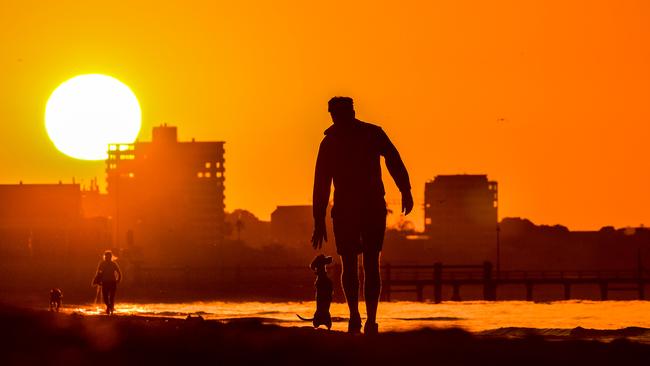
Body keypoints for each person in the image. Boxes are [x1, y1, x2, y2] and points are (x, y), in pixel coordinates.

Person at [312, 96, 413, 334]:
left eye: (341, 114)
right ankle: (358, 318)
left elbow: (393, 159)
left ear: (351, 112)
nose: (338, 118)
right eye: (335, 115)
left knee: (369, 263)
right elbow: (321, 183)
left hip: (369, 207)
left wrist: (405, 189)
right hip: (351, 208)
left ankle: (369, 319)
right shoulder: (331, 142)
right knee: (352, 263)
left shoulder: (371, 134)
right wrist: (318, 219)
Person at [94, 250, 122, 315]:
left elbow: (119, 272)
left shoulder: (113, 264)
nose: (107, 258)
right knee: (105, 297)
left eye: (109, 256)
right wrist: (97, 281)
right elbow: (98, 273)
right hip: (105, 282)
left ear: (111, 257)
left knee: (111, 297)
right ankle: (109, 307)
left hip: (112, 282)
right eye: (106, 256)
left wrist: (118, 280)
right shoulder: (102, 264)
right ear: (105, 256)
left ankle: (110, 309)